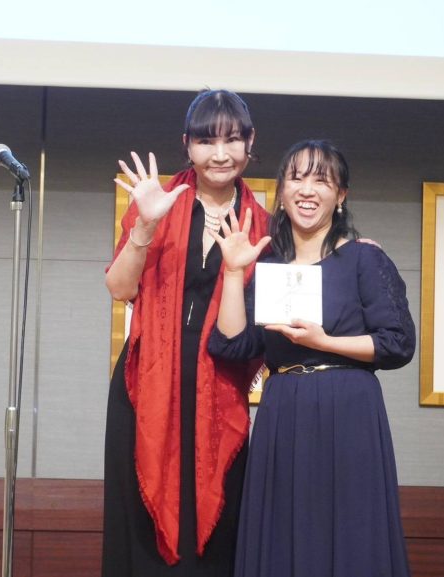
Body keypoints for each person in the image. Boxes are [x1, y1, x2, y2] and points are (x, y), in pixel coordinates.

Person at [208, 139, 416, 577]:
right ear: (282, 192)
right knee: (284, 531)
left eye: (322, 180)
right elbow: (233, 345)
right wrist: (233, 271)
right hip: (285, 410)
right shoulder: (272, 266)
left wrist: (326, 342)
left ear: (340, 196)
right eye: (297, 178)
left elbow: (397, 343)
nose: (307, 190)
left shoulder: (363, 257)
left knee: (352, 529)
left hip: (350, 409)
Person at [102, 89, 271, 576]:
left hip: (219, 391)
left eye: (232, 140)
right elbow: (120, 288)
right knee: (139, 529)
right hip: (147, 385)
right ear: (187, 145)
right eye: (206, 141)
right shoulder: (157, 202)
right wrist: (145, 227)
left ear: (250, 142)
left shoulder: (262, 224)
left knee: (214, 530)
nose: (220, 154)